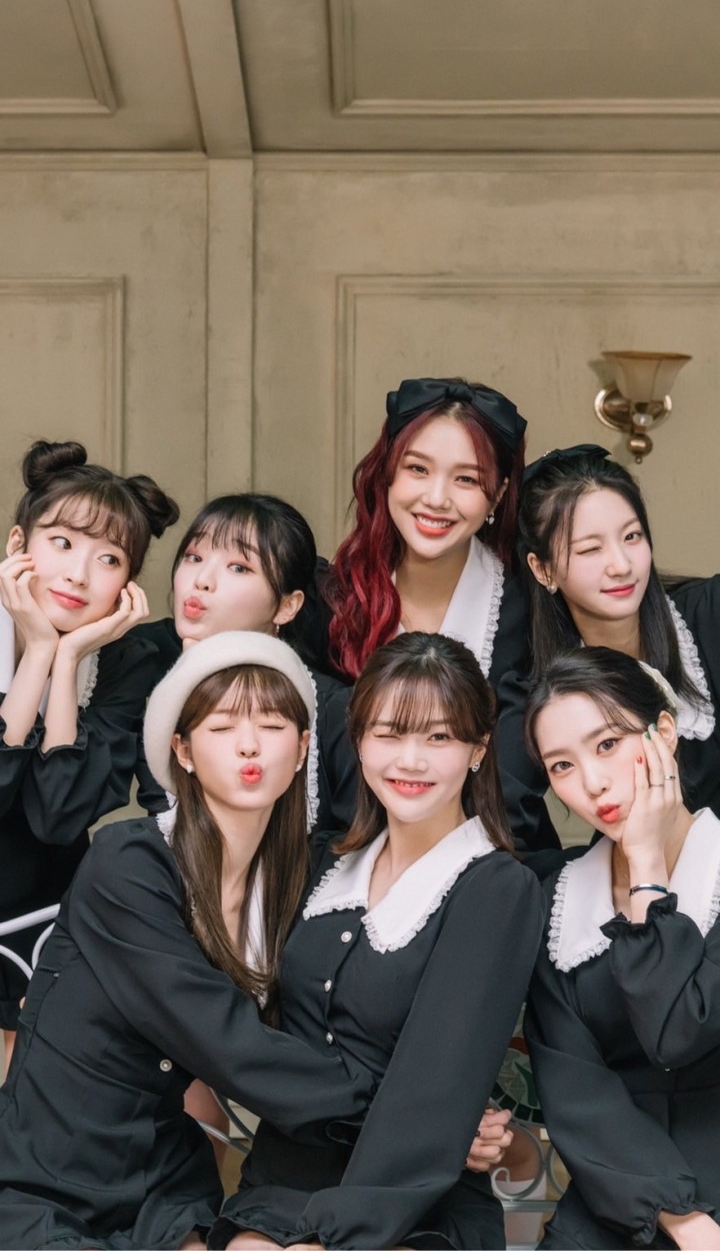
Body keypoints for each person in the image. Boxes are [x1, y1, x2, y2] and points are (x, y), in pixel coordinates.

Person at [0, 632, 374, 1250]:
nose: (250, 745)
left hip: (163, 1184)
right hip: (48, 1180)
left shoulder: (300, 882)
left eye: (273, 726)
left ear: (304, 748)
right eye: (222, 727)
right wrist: (388, 1112)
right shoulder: (129, 863)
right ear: (184, 751)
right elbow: (223, 1037)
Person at [210, 631, 544, 1251]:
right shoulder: (321, 865)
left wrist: (329, 1238)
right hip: (281, 1183)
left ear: (477, 749)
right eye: (389, 733)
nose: (410, 761)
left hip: (413, 1201)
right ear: (359, 740)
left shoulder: (496, 888)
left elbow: (437, 1087)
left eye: (439, 737)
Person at [524, 647, 720, 1250]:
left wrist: (647, 872)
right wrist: (682, 1221)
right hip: (619, 1200)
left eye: (607, 744)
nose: (592, 783)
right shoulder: (558, 900)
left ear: (665, 732)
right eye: (562, 766)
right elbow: (574, 1089)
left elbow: (678, 1032)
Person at [319, 376, 560, 852]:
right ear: (386, 474)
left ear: (498, 495)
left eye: (466, 479)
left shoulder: (531, 609)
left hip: (501, 860)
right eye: (418, 469)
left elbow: (517, 783)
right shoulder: (331, 600)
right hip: (353, 860)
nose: (436, 498)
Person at [0, 438, 178, 1051]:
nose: (79, 573)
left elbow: (58, 815)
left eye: (109, 559)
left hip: (51, 922)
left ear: (127, 585)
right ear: (18, 546)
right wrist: (36, 655)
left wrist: (66, 655)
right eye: (62, 543)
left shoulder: (127, 663)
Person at [133, 493, 356, 833]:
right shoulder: (147, 670)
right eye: (194, 557)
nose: (202, 579)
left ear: (286, 606)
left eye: (238, 567)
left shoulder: (332, 709)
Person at [518, 444, 719, 817]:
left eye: (631, 537)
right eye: (590, 549)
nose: (621, 565)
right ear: (542, 569)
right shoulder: (541, 686)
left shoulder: (711, 615)